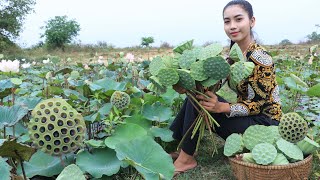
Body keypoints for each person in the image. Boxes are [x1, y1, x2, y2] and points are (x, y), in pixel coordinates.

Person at [169, 0, 282, 176]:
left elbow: (259, 105)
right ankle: (184, 148)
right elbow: (216, 82)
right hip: (247, 119)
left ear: (252, 21)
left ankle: (186, 159)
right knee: (198, 95)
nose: (232, 26)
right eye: (227, 21)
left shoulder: (261, 59)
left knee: (201, 101)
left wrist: (223, 107)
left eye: (238, 19)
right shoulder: (234, 54)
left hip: (265, 125)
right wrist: (189, 84)